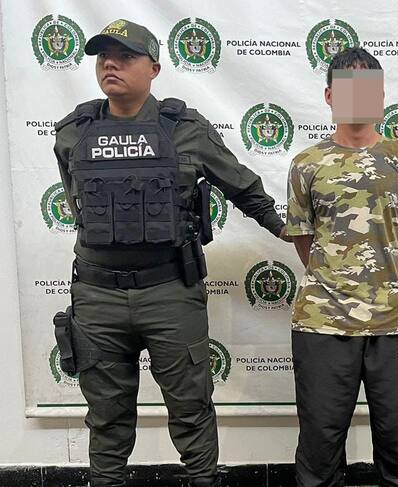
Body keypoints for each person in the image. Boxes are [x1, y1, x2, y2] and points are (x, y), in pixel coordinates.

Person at [53, 19, 289, 487]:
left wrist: (284, 229)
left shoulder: (185, 129)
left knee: (190, 407)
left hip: (170, 293)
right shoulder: (73, 132)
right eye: (103, 56)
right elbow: (79, 204)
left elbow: (242, 186)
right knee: (106, 416)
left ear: (155, 68)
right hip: (97, 298)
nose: (111, 64)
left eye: (126, 56)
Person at [286, 47, 398, 487]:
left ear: (380, 97)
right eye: (347, 89)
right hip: (322, 321)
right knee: (320, 445)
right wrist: (336, 276)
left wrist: (378, 276)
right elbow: (304, 239)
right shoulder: (306, 164)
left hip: (393, 320)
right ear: (330, 96)